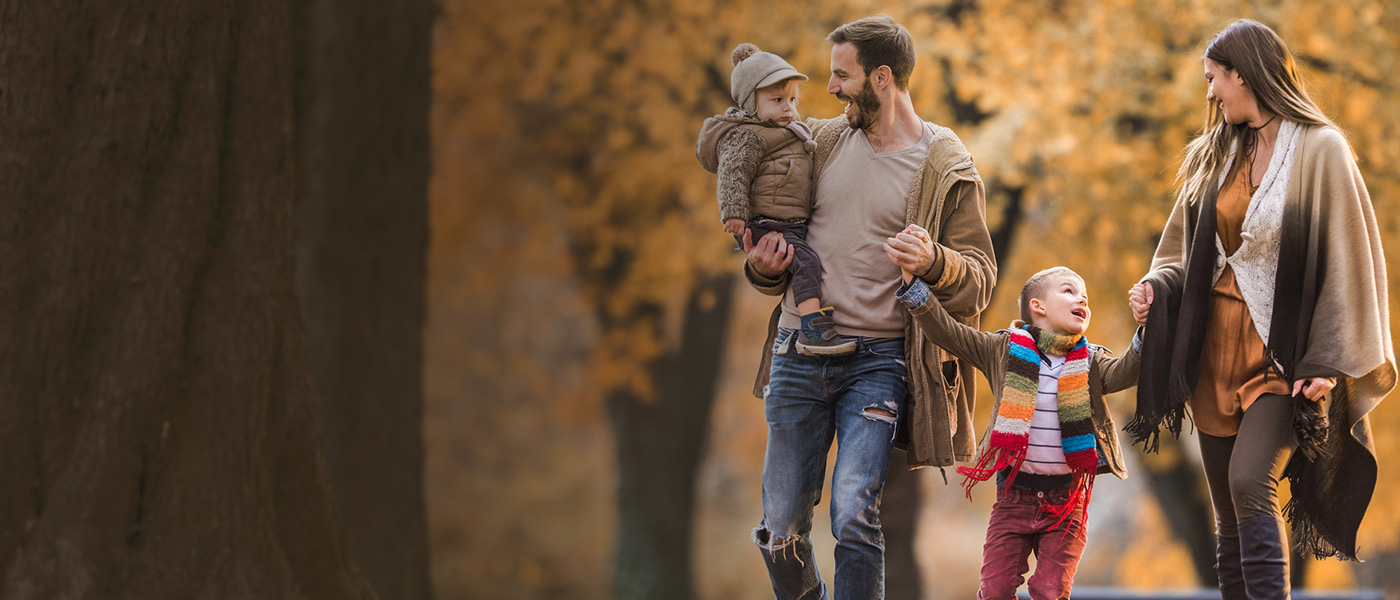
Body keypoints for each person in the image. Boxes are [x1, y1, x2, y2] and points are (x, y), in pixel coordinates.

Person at [1127, 19, 1395, 600]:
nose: (1208, 92)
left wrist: (1328, 357)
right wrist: (1155, 286)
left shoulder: (1320, 149)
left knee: (1252, 482)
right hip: (1210, 351)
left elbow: (1348, 258)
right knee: (1226, 509)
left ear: (1242, 74)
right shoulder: (1215, 152)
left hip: (1280, 356)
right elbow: (1179, 250)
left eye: (1213, 78)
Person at [741, 15, 997, 599]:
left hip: (878, 362)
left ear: (881, 78)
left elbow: (978, 282)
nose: (828, 89)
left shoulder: (945, 165)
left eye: (840, 75)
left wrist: (935, 262)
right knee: (781, 527)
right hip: (798, 349)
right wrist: (763, 264)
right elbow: (771, 242)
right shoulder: (819, 143)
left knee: (855, 513)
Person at [894, 262, 1139, 600]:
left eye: (1085, 296)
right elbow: (950, 334)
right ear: (1037, 307)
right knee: (994, 590)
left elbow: (1128, 370)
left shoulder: (1090, 362)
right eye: (1069, 291)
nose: (1082, 299)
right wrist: (915, 289)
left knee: (1050, 590)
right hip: (1014, 497)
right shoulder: (1004, 350)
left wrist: (1148, 328)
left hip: (1066, 503)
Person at [697, 43, 855, 355]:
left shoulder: (791, 131)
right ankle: (812, 328)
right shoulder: (749, 135)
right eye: (778, 100)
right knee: (807, 262)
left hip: (787, 222)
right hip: (766, 224)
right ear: (750, 104)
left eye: (793, 100)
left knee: (808, 259)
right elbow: (734, 171)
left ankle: (814, 323)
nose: (788, 107)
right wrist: (735, 213)